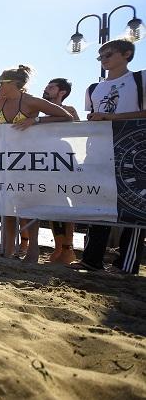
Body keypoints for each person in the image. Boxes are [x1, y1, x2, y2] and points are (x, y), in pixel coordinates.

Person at [0, 65, 73, 261]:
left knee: (29, 206)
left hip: (28, 159)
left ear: (13, 84)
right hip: (5, 159)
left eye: (0, 83)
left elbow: (67, 116)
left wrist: (36, 121)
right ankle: (7, 248)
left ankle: (33, 249)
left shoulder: (30, 101)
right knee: (8, 205)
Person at [70, 39, 146, 274]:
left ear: (127, 54)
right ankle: (92, 259)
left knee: (133, 205)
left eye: (108, 55)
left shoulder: (139, 79)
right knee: (97, 203)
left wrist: (113, 118)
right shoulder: (94, 88)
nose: (104, 60)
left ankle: (126, 263)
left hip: (131, 151)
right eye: (100, 57)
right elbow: (94, 118)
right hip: (98, 150)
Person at [42, 78, 80, 264]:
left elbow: (80, 133)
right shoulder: (40, 109)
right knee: (52, 206)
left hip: (66, 161)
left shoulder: (70, 110)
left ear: (62, 92)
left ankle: (68, 248)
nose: (46, 89)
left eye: (51, 87)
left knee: (67, 206)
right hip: (47, 162)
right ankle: (58, 248)